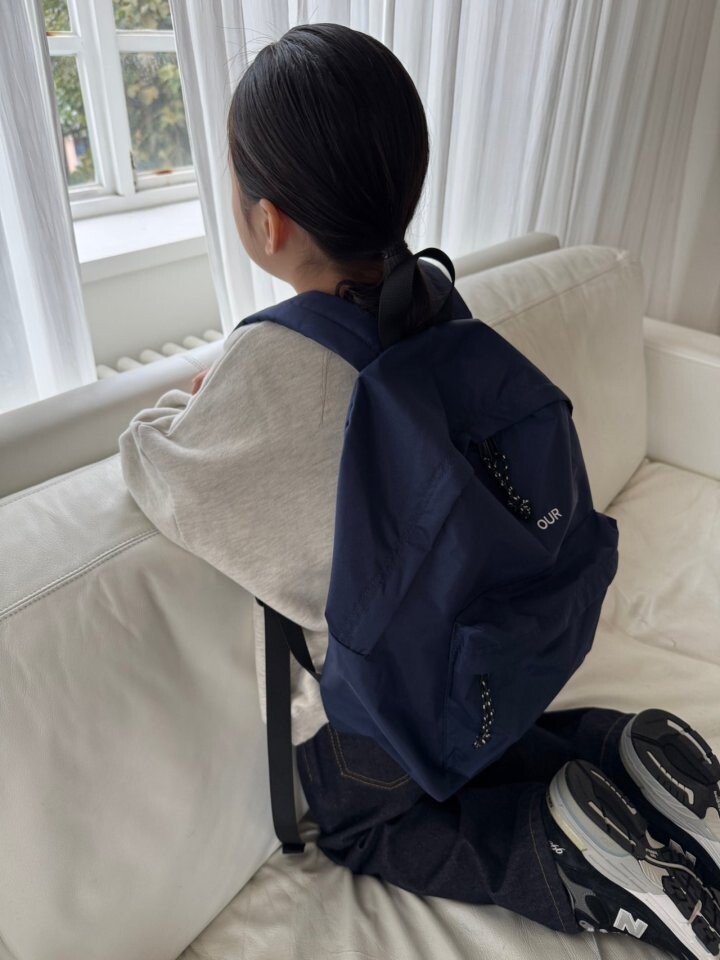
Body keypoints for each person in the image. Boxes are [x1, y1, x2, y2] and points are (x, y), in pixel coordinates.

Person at [118, 22, 720, 959]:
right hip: (493, 658)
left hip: (382, 723)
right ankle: (620, 754)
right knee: (485, 746)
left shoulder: (271, 365)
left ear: (267, 222)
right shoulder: (437, 302)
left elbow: (156, 468)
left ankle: (562, 857)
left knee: (374, 824)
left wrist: (182, 402)